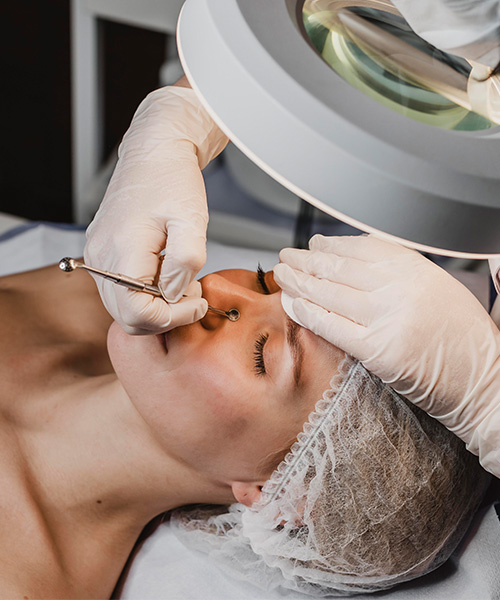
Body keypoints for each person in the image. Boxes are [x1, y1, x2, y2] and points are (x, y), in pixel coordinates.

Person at [0, 260, 489, 597]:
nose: (217, 289)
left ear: (284, 493)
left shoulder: (22, 582)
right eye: (263, 282)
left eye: (262, 353)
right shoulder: (82, 290)